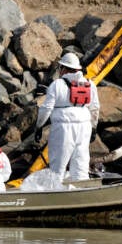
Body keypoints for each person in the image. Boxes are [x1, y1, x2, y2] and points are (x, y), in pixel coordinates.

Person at [34, 52, 100, 182]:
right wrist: (94, 128)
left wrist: (39, 126)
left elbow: (46, 108)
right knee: (81, 164)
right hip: (85, 126)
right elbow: (95, 108)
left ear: (64, 68)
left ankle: (54, 193)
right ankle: (81, 193)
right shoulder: (90, 84)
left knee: (58, 165)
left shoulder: (57, 84)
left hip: (63, 128)